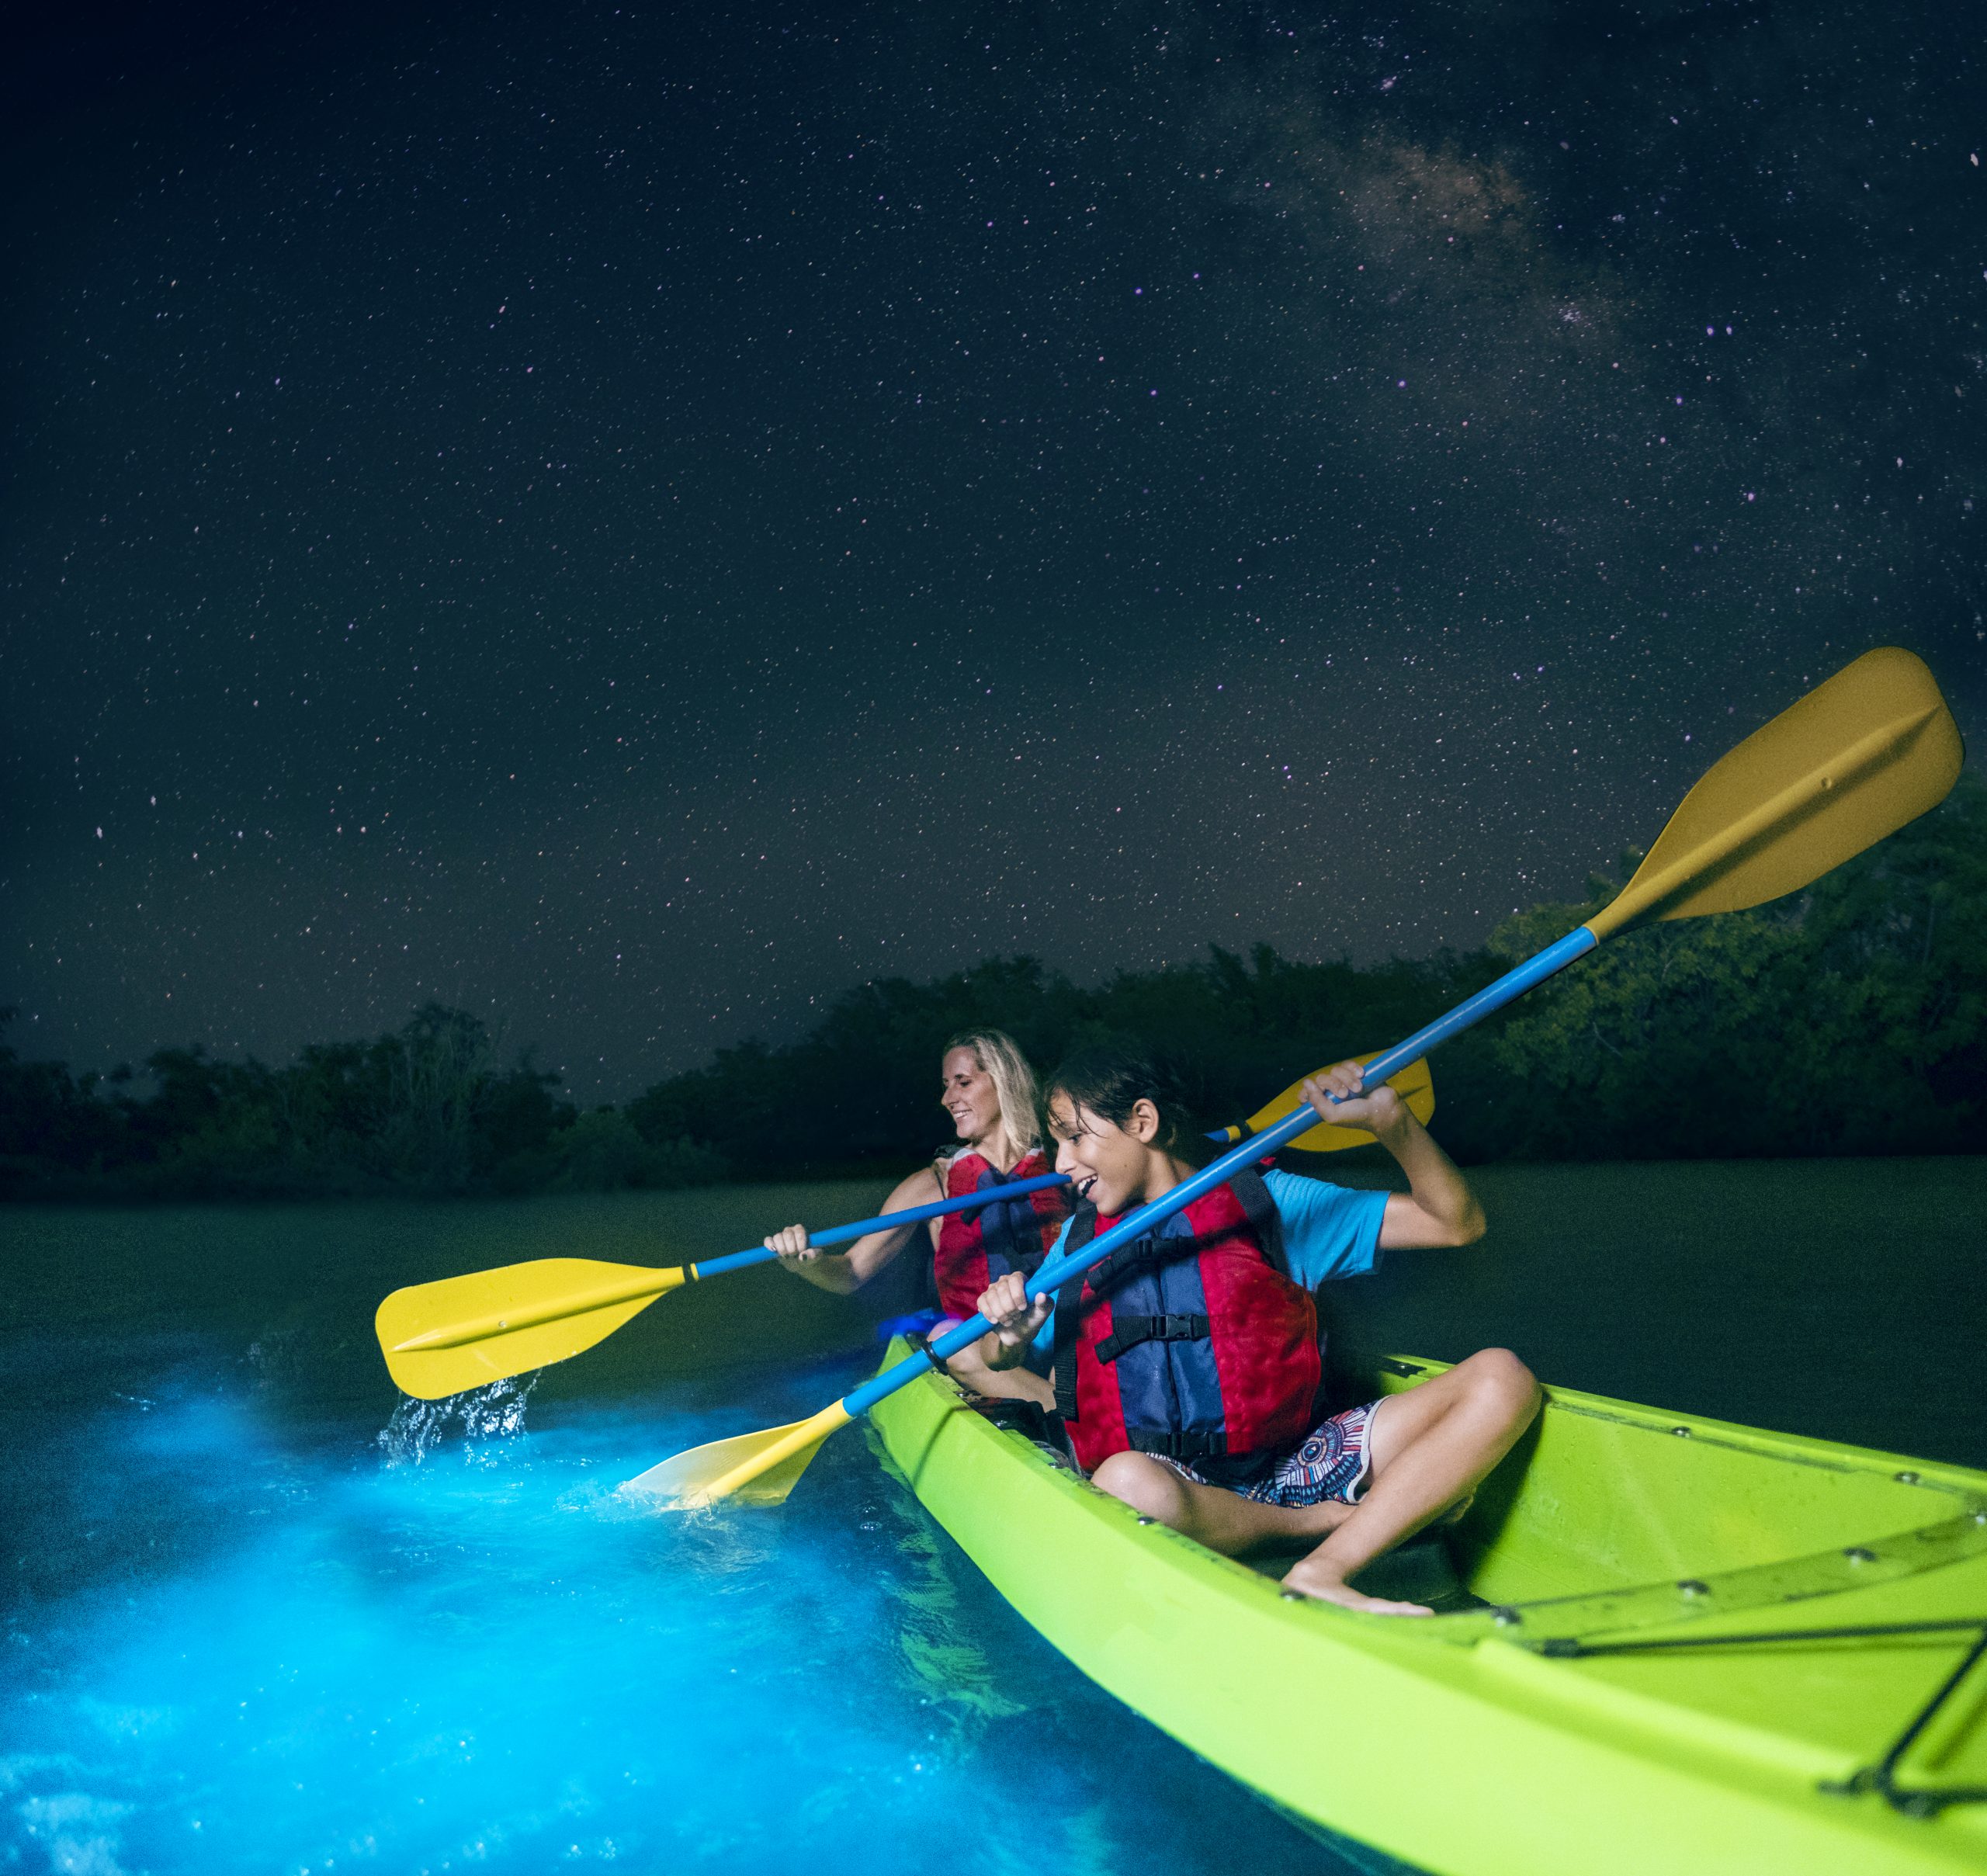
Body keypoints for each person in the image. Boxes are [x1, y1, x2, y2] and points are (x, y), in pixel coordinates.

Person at [973, 1042, 1538, 1616]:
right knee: (1124, 1483)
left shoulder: (1269, 1202)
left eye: (1076, 1137)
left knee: (1502, 1377)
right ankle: (1318, 1525)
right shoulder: (1076, 1243)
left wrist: (1392, 1124)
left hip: (1295, 1464)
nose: (1062, 1165)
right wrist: (1009, 1333)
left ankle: (1324, 1567)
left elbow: (1455, 1222)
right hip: (1177, 1488)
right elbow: (995, 1354)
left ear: (1142, 1121)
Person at [764, 1028, 1067, 1399]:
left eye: (963, 1082)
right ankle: (1066, 1419)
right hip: (983, 1350)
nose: (947, 1098)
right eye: (945, 1085)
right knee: (949, 1340)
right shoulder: (934, 1185)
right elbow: (851, 1272)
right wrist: (806, 1263)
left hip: (1055, 1331)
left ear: (1004, 1082)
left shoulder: (1061, 1169)